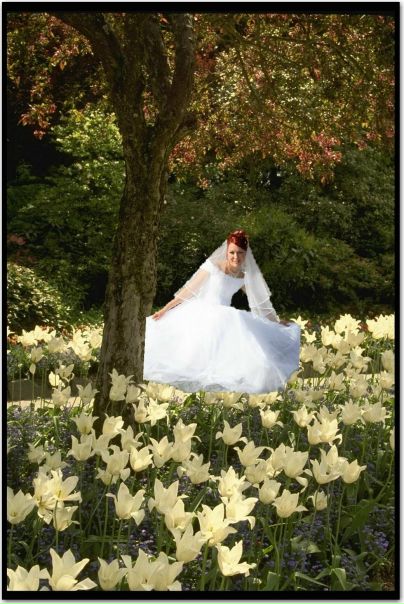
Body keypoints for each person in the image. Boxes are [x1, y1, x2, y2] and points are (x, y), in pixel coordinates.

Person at [143, 229, 300, 394]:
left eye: (240, 253)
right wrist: (165, 309)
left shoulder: (243, 277)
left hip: (226, 318)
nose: (235, 256)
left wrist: (276, 322)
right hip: (200, 312)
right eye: (232, 252)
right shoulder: (213, 266)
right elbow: (189, 290)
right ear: (226, 252)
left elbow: (260, 303)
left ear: (246, 254)